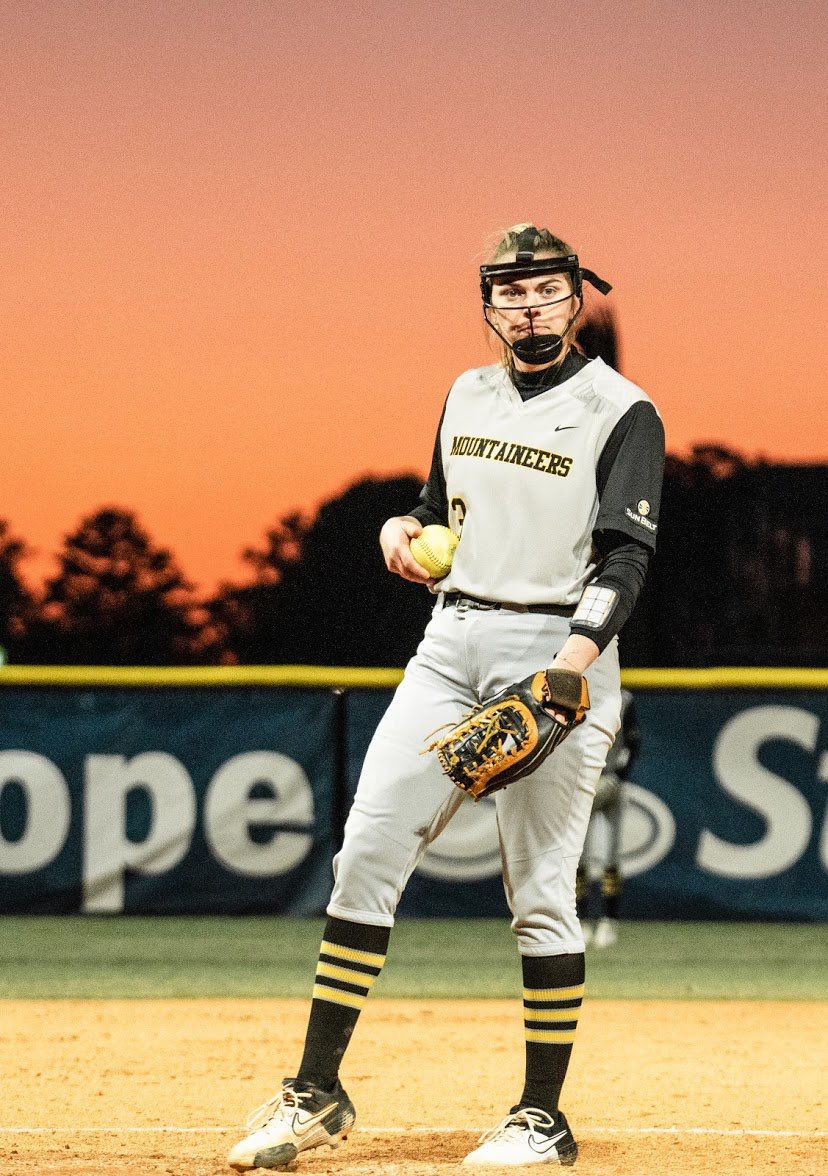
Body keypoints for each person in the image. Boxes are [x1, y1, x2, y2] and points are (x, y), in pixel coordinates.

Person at [227, 224, 665, 1170]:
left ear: (576, 298)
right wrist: (402, 526)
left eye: (548, 289)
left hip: (558, 648)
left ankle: (542, 1117)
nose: (531, 306)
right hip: (449, 639)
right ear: (488, 307)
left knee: (541, 891)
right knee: (368, 847)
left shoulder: (622, 410)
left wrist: (573, 661)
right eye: (511, 293)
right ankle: (316, 1092)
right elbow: (437, 509)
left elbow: (627, 555)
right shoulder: (465, 393)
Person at [577, 688, 640, 949]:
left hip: (611, 780)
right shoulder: (575, 693)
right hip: (584, 783)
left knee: (611, 856)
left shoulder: (622, 698)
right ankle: (580, 921)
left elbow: (633, 741)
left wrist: (620, 776)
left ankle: (608, 921)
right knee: (579, 856)